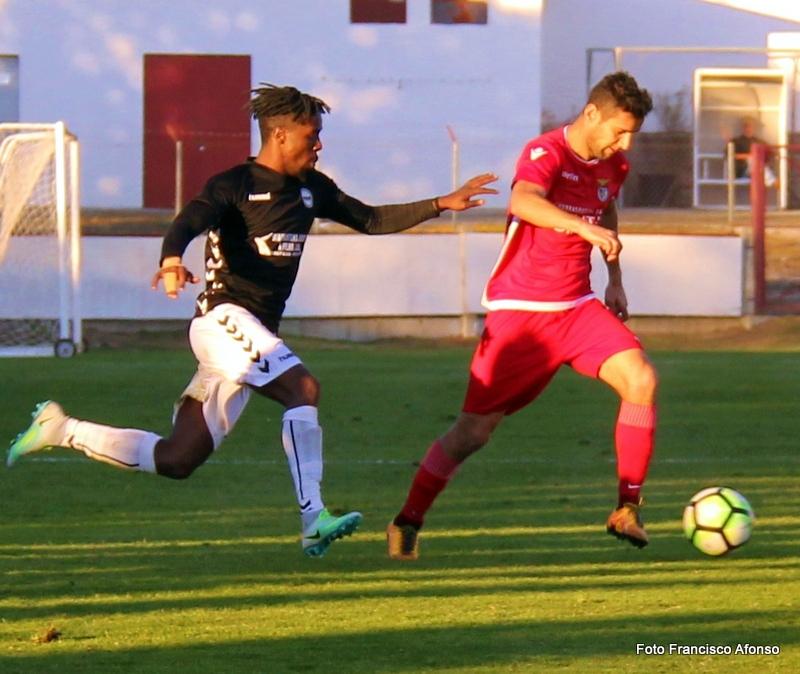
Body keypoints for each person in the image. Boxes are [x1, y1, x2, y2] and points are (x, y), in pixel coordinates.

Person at [7, 83, 498, 558]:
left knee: (178, 459)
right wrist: (172, 258)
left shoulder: (312, 189)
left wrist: (440, 203)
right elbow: (188, 220)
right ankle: (314, 519)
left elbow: (369, 219)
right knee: (302, 389)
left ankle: (60, 428)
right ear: (280, 135)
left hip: (248, 336)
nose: (319, 144)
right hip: (221, 320)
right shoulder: (232, 186)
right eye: (312, 135)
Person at [387, 71, 657, 561]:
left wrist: (613, 277)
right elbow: (524, 201)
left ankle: (626, 506)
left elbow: (607, 209)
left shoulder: (611, 166)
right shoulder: (546, 151)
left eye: (632, 134)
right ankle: (408, 520)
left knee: (640, 379)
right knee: (472, 433)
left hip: (576, 308)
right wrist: (582, 229)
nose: (624, 143)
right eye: (619, 130)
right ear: (591, 113)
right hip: (522, 316)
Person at [728, 117, 776, 187]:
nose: (748, 128)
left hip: (758, 171)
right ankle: (772, 181)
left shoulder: (759, 141)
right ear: (743, 127)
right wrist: (749, 156)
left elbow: (771, 152)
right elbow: (729, 154)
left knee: (755, 161)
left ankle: (771, 180)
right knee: (752, 160)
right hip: (742, 171)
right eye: (746, 126)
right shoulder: (736, 141)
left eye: (751, 126)